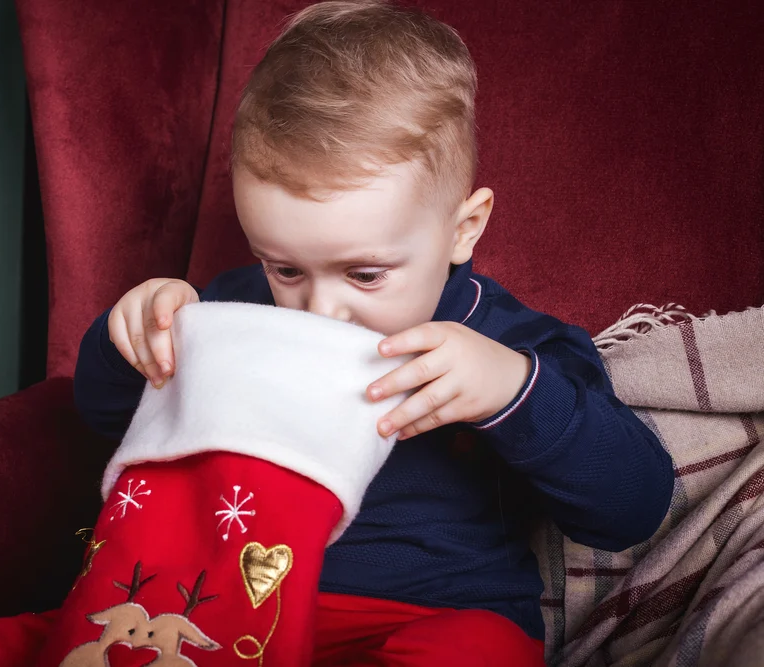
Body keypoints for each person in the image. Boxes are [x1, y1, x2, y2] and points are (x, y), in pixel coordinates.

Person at [73, 1, 675, 664]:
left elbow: (634, 507)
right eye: (285, 267)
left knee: (475, 651)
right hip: (238, 611)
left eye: (364, 273)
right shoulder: (236, 313)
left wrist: (512, 391)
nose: (320, 309)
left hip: (426, 616)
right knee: (23, 639)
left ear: (462, 228)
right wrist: (130, 336)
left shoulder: (510, 341)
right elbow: (105, 413)